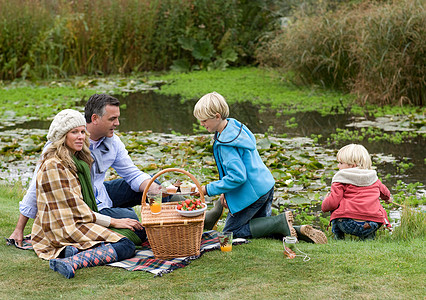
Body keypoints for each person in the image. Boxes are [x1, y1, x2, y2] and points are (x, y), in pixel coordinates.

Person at [9, 94, 161, 246]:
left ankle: (171, 228)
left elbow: (132, 173)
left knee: (154, 184)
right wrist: (19, 229)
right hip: (84, 204)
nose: (117, 123)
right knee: (135, 224)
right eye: (112, 119)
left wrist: (154, 188)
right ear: (95, 118)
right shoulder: (62, 147)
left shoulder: (113, 142)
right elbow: (36, 187)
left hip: (101, 193)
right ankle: (119, 224)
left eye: (117, 118)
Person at [193, 92, 327, 244]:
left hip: (251, 194)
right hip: (265, 185)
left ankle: (280, 222)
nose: (202, 124)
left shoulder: (226, 144)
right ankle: (297, 230)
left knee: (231, 234)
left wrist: (206, 189)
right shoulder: (235, 129)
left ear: (217, 116)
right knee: (261, 229)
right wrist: (226, 192)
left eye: (204, 120)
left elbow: (237, 177)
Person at [32, 109, 137, 278]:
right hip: (64, 227)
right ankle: (71, 262)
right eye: (74, 132)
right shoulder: (54, 165)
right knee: (126, 245)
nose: (81, 136)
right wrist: (114, 222)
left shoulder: (75, 161)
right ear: (62, 136)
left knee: (134, 231)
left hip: (74, 222)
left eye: (82, 131)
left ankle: (70, 251)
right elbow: (78, 209)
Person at [321, 144, 392, 240]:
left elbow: (332, 203)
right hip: (372, 223)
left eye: (341, 163)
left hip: (346, 223)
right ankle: (369, 237)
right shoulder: (373, 177)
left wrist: (325, 203)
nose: (338, 166)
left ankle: (338, 237)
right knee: (376, 207)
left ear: (352, 165)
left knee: (334, 204)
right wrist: (388, 199)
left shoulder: (341, 178)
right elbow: (385, 193)